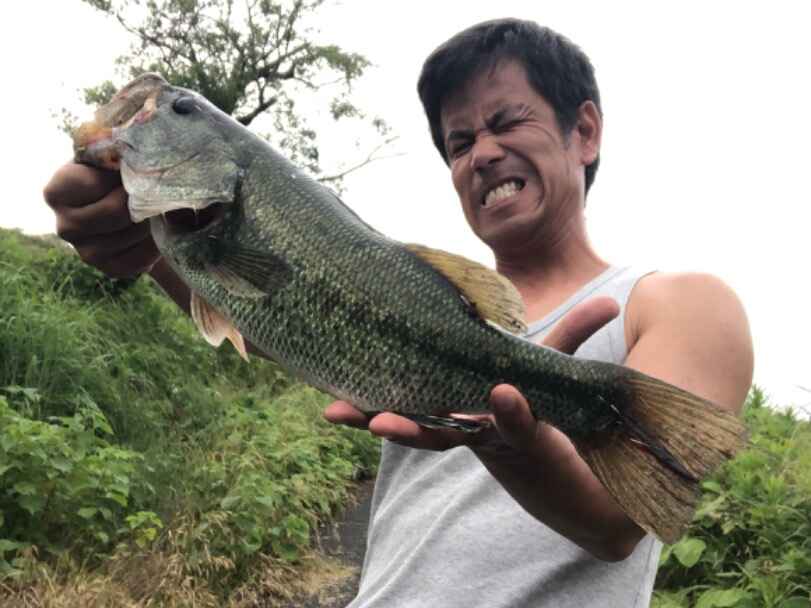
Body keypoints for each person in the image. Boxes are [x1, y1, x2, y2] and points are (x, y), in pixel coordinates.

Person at [44, 18, 753, 607]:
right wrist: (144, 249)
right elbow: (279, 326)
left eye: (507, 121)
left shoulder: (675, 301)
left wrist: (515, 445)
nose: (483, 153)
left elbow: (618, 525)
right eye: (459, 142)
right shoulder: (424, 297)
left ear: (585, 131)